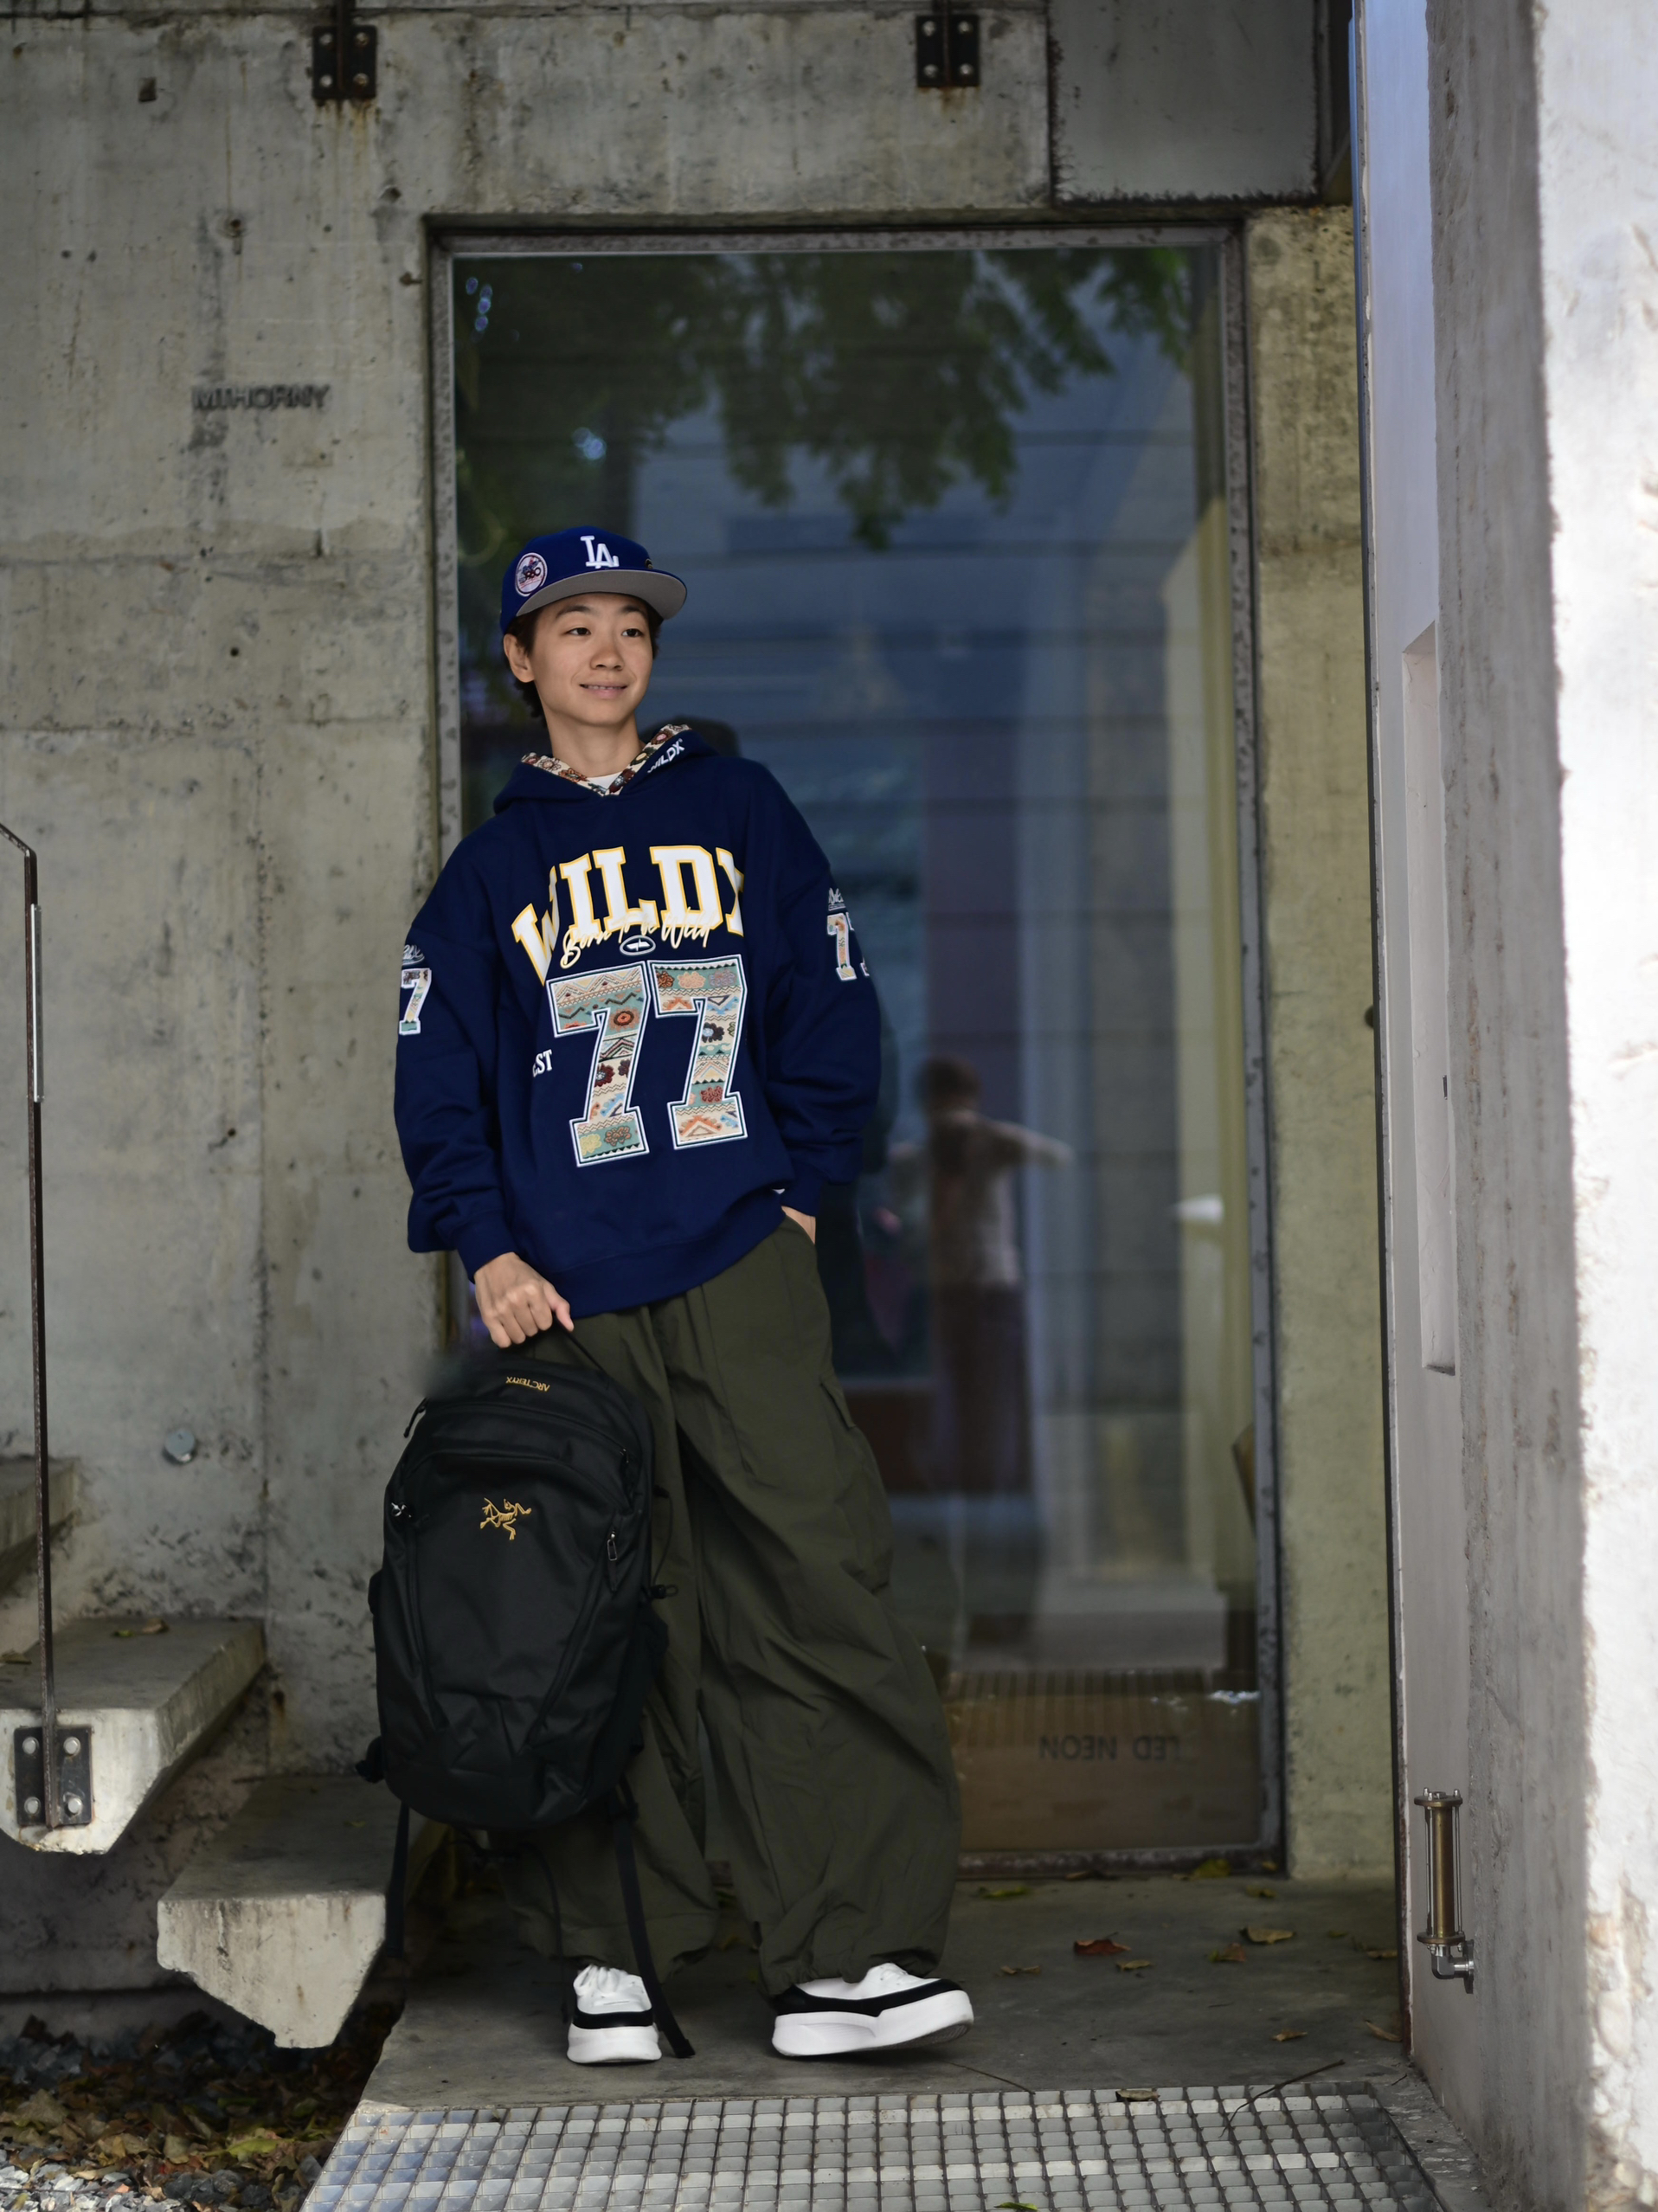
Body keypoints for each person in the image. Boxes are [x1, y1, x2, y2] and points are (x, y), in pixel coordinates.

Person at [393, 525, 968, 2065]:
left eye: (629, 626)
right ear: (520, 661)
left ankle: (842, 1952)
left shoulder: (742, 808)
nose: (605, 649)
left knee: (812, 1585)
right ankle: (615, 1959)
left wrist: (802, 1193)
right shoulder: (488, 874)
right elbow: (436, 1080)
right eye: (571, 626)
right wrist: (488, 1249)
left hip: (736, 1254)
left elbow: (829, 1003)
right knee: (597, 1614)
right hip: (567, 1298)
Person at [888, 1056, 1071, 1644]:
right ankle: (968, 1608)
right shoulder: (920, 1159)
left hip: (981, 1301)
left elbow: (1058, 1157)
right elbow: (902, 1213)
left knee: (989, 1452)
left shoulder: (986, 1148)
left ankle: (992, 1610)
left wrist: (982, 1139)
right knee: (958, 1453)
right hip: (955, 1302)